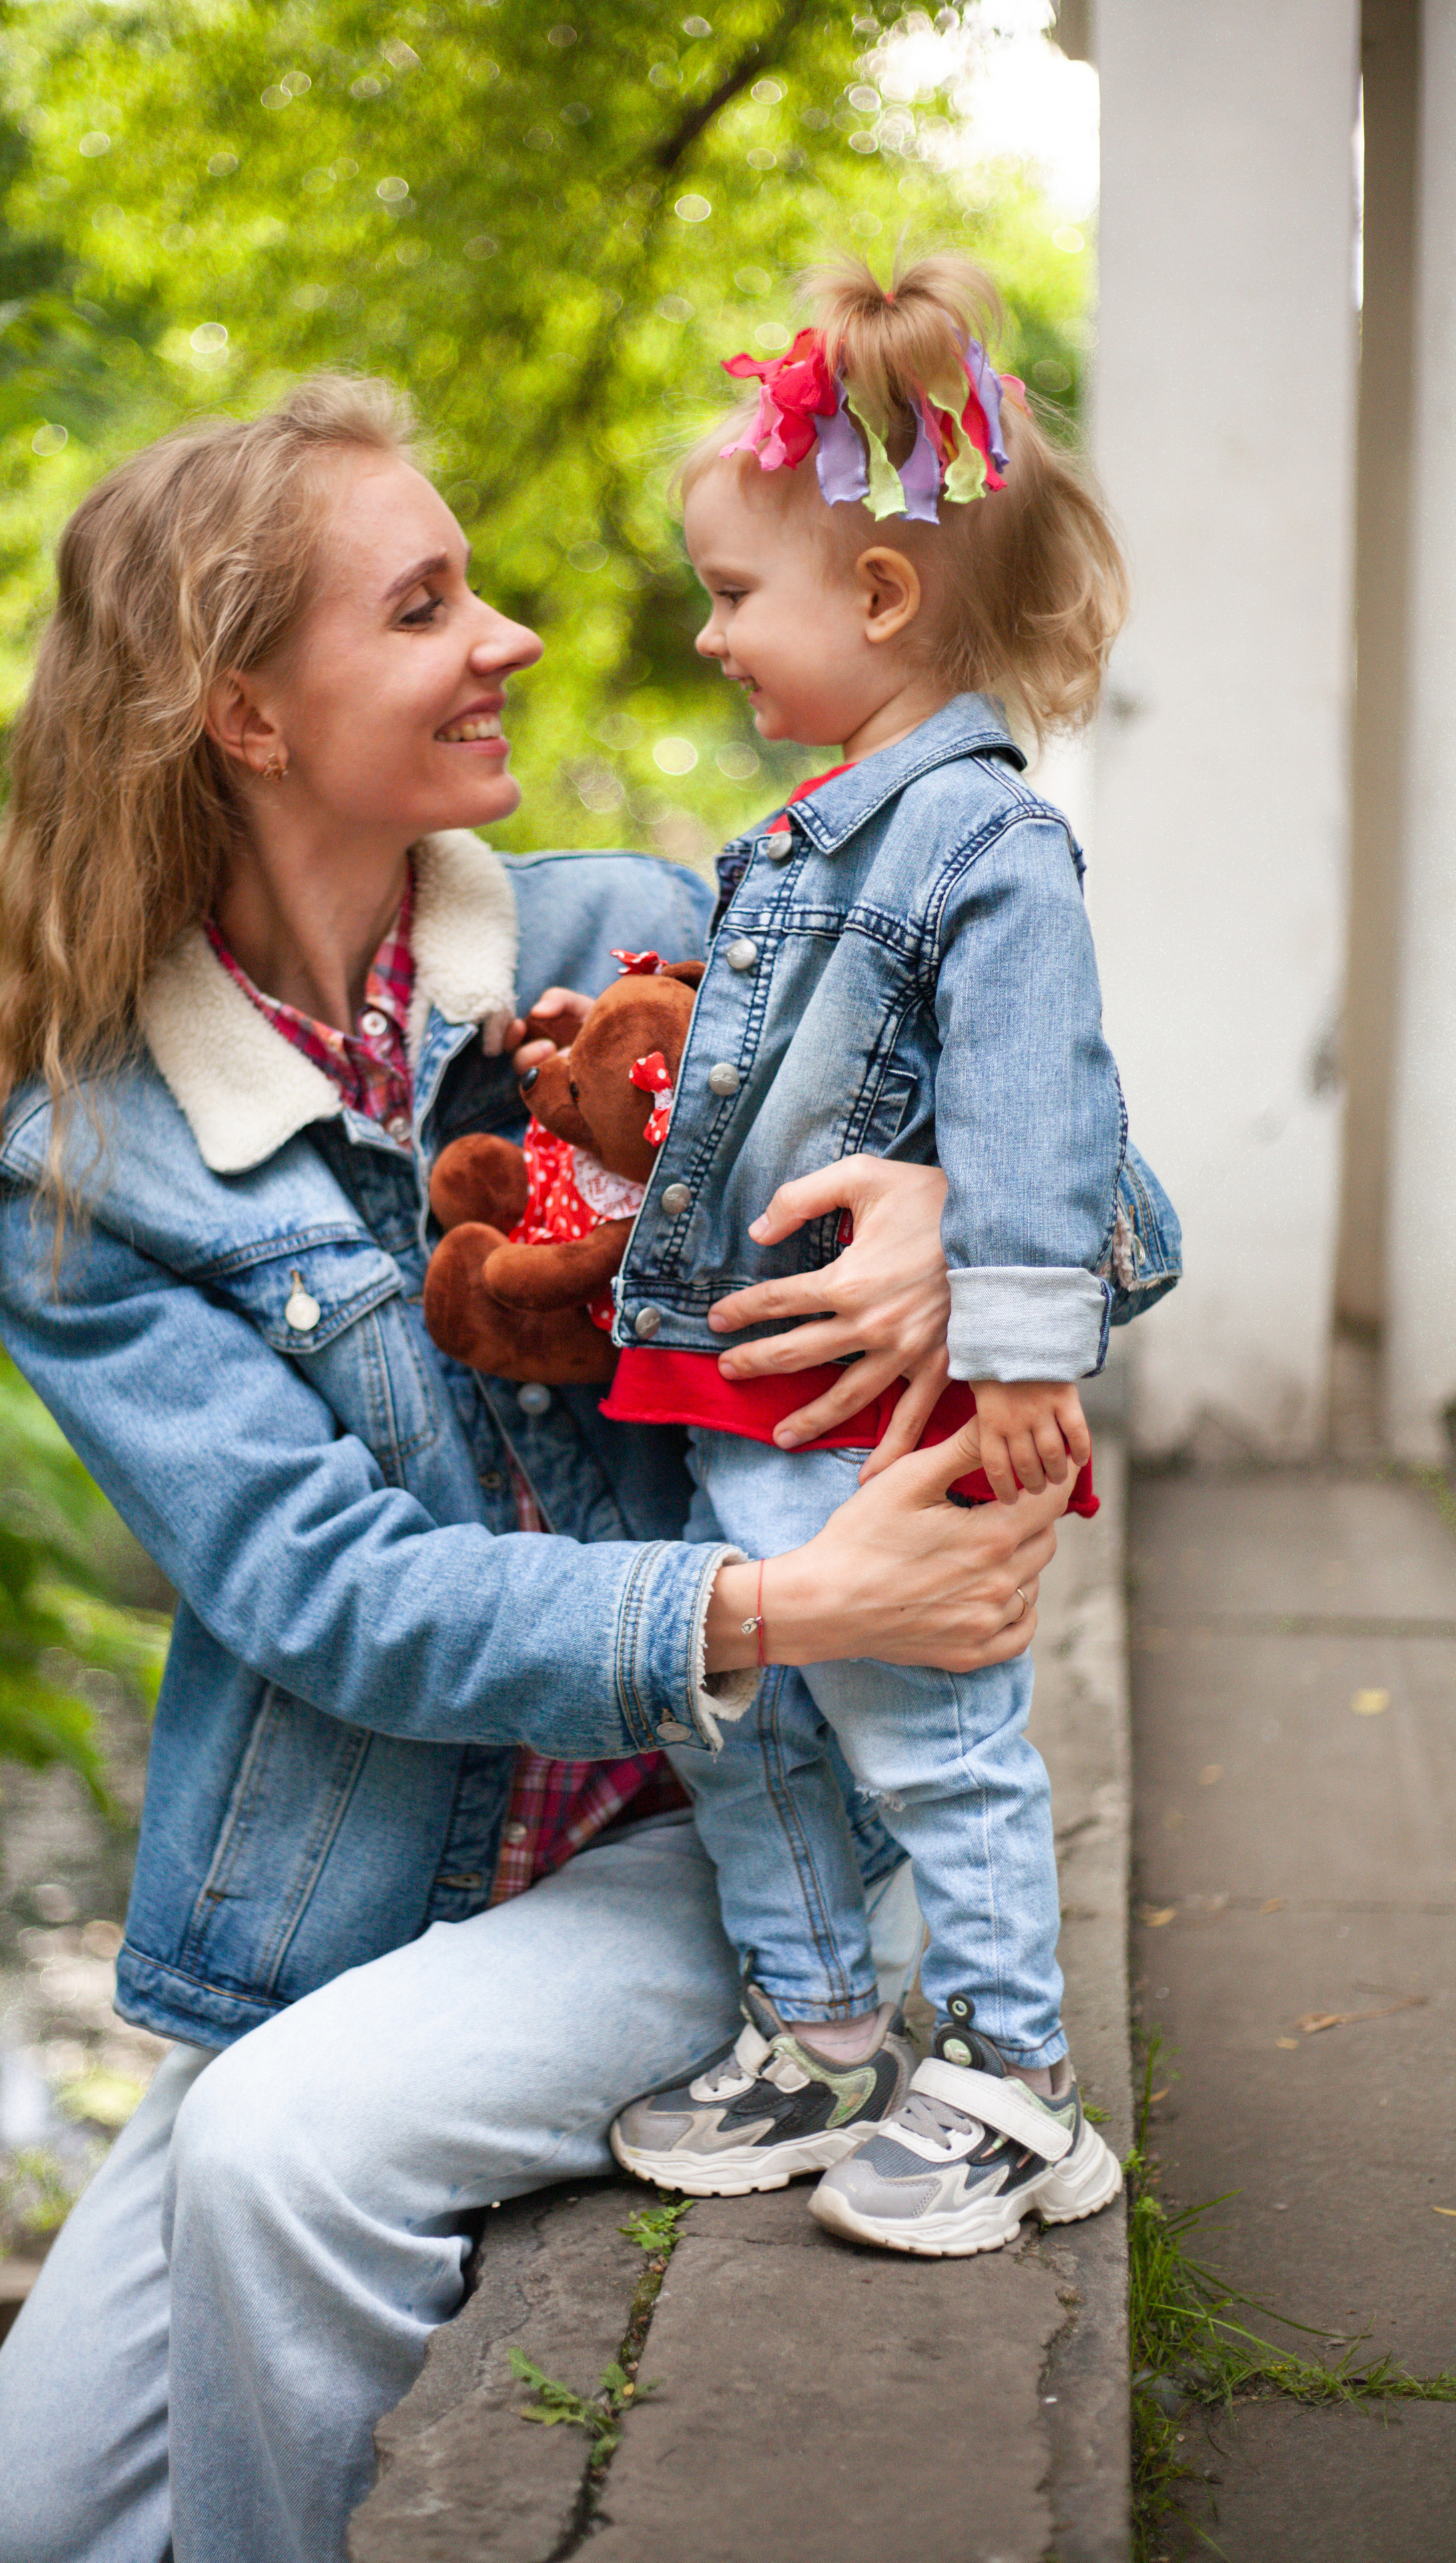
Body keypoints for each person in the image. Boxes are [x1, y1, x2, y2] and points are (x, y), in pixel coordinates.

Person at [0, 373, 1072, 2562]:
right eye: (428, 604)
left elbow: (1106, 1171)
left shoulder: (647, 930)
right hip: (373, 1886)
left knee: (284, 2157)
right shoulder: (92, 1163)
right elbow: (331, 1594)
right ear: (246, 715)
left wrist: (960, 1229)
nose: (512, 637)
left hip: (734, 1837)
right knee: (5, 2525)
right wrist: (783, 1602)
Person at [603, 255, 1181, 2253]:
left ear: (876, 598)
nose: (705, 632)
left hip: (883, 1410)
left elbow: (1040, 1115)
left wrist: (1027, 1353)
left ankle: (1022, 2085)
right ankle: (823, 2024)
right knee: (741, 1717)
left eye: (732, 593)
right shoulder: (802, 841)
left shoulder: (980, 848)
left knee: (934, 1739)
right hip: (745, 1379)